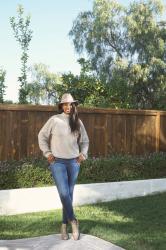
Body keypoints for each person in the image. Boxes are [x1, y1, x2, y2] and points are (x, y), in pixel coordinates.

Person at [38, 93, 89, 241]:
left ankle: (63, 225)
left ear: (74, 106)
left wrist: (83, 155)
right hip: (57, 162)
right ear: (61, 106)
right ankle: (73, 220)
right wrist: (47, 153)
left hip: (74, 163)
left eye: (70, 104)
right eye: (65, 104)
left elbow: (85, 141)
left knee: (69, 195)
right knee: (64, 194)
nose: (68, 107)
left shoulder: (77, 122)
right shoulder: (54, 120)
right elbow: (41, 136)